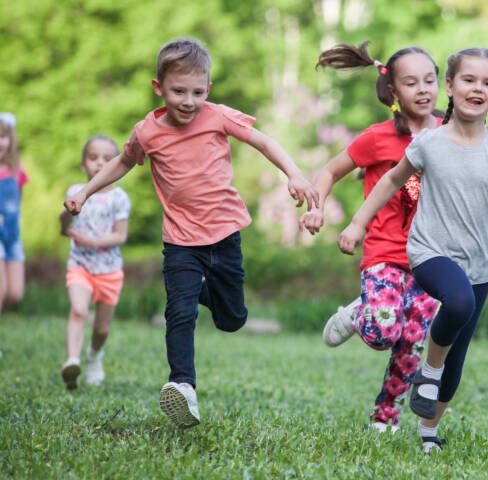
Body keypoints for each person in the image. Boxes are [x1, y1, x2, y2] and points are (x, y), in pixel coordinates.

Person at [64, 38, 319, 427]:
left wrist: (295, 174)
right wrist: (84, 191)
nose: (188, 101)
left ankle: (198, 290)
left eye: (197, 92)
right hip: (180, 242)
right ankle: (183, 386)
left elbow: (263, 141)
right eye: (178, 91)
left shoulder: (217, 116)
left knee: (232, 319)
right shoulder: (147, 131)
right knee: (178, 312)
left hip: (224, 236)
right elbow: (122, 162)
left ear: (208, 90)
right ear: (159, 88)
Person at [338, 47, 488, 452]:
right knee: (456, 303)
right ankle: (428, 369)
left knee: (457, 356)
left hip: (479, 264)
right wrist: (357, 223)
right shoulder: (429, 142)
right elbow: (390, 182)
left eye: (487, 83)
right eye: (468, 80)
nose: (477, 88)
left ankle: (428, 431)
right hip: (429, 253)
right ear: (450, 86)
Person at [300, 41, 442, 433]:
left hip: (432, 258)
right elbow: (329, 172)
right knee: (382, 331)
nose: (423, 89)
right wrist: (318, 208)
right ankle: (358, 313)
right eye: (412, 83)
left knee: (411, 344)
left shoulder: (451, 133)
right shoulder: (378, 138)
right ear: (394, 93)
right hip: (383, 252)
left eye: (430, 80)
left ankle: (385, 417)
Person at [59, 135, 130, 390]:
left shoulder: (119, 197)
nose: (99, 163)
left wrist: (90, 241)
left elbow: (120, 236)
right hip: (80, 266)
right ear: (82, 164)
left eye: (107, 159)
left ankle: (94, 356)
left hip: (109, 271)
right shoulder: (74, 192)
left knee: (101, 329)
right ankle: (72, 361)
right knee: (78, 310)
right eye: (93, 158)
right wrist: (65, 219)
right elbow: (64, 223)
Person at [0, 112, 28, 320]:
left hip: (13, 238)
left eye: (3, 136)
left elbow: (18, 204)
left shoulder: (16, 172)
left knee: (15, 293)